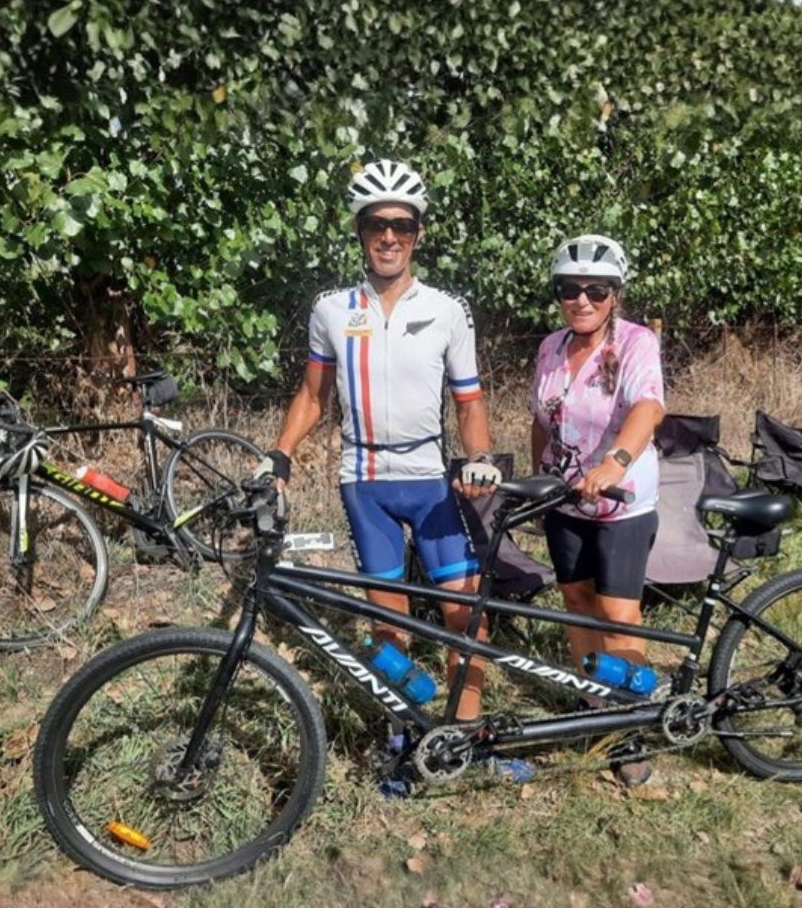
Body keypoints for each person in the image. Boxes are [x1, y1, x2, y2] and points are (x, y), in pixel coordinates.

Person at [263, 159, 506, 729]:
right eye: (377, 225)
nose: (389, 236)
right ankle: (406, 734)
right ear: (360, 232)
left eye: (401, 224)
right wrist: (280, 454)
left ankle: (465, 734)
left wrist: (480, 458)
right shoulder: (331, 309)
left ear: (419, 233)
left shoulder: (448, 310)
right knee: (387, 625)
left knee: (465, 616)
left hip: (430, 481)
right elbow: (312, 396)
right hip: (365, 482)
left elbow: (469, 401)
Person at [530, 234, 666, 786]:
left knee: (617, 613)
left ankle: (630, 725)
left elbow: (649, 406)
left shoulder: (635, 343)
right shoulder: (549, 348)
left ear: (615, 294)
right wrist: (539, 479)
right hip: (565, 501)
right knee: (574, 601)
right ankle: (594, 702)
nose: (581, 300)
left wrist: (613, 462)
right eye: (570, 289)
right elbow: (541, 418)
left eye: (596, 290)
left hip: (620, 503)